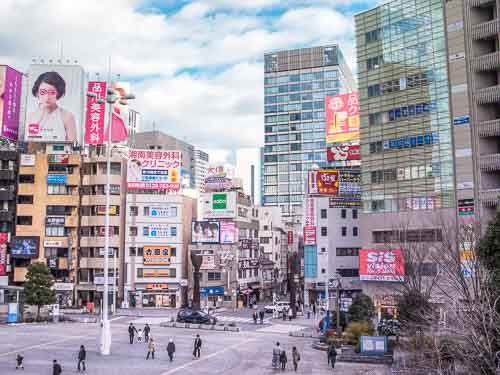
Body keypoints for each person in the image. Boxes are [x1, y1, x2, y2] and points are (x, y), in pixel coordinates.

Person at [27, 71, 76, 142]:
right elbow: (29, 144)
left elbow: (72, 147)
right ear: (37, 93)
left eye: (52, 93)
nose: (47, 97)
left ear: (58, 93)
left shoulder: (67, 116)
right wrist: (38, 118)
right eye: (43, 92)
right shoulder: (31, 116)